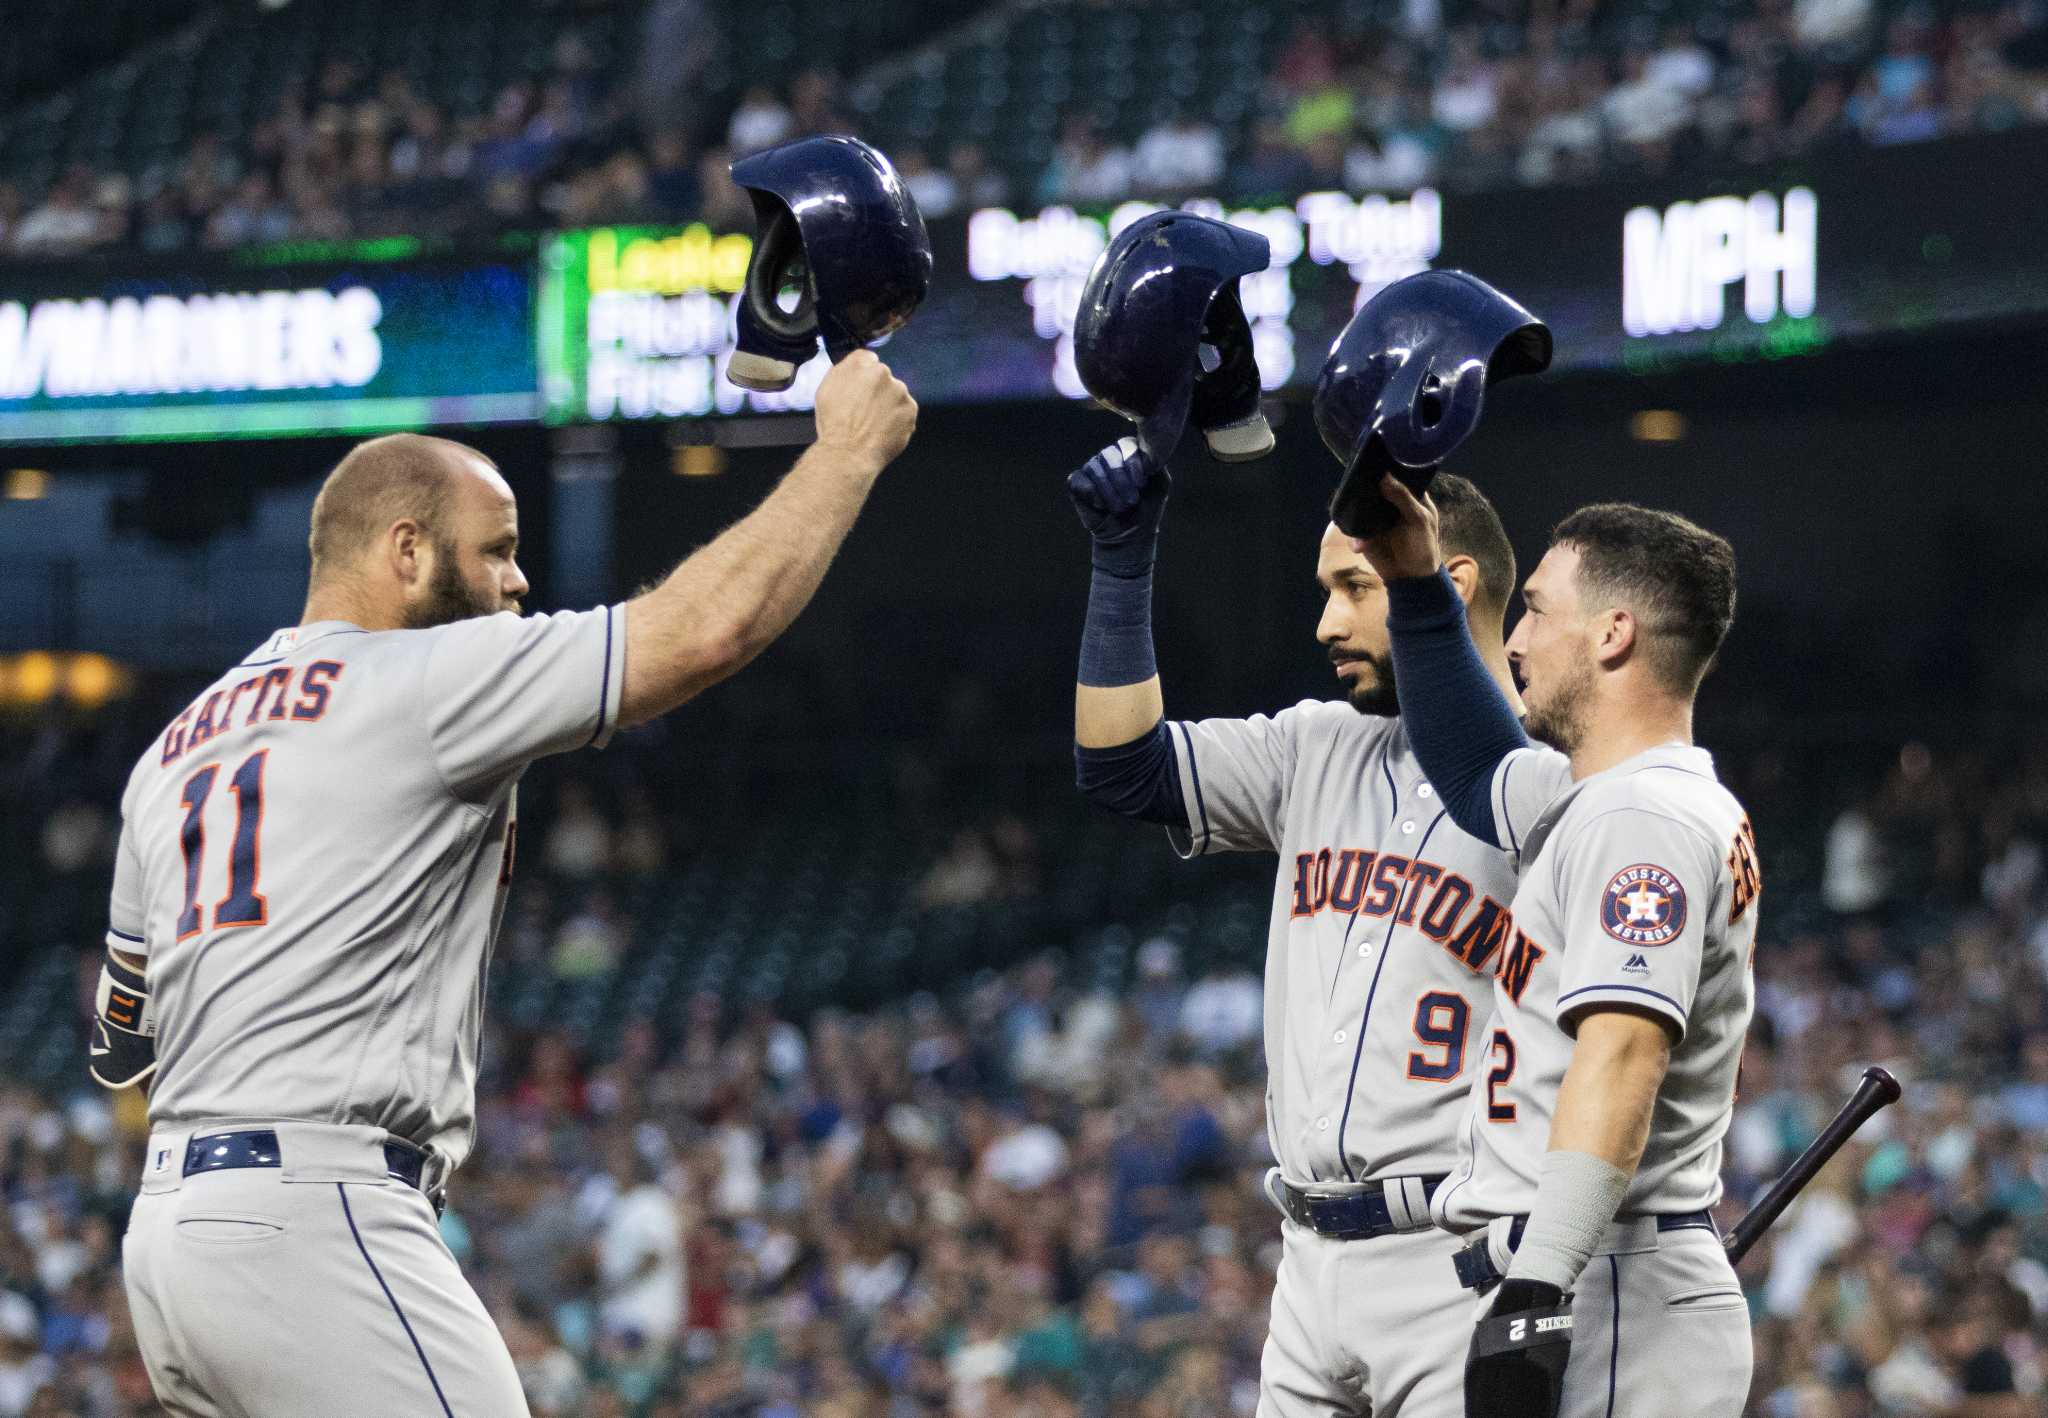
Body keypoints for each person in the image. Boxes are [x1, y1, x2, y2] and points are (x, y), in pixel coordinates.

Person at [89, 351, 917, 1415]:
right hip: (316, 1211)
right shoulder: (423, 676)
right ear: (405, 548)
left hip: (168, 1241)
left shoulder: (169, 752)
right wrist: (844, 454)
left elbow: (123, 1036)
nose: (520, 580)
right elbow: (706, 629)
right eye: (500, 550)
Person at [1067, 437, 1533, 1416]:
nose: (1324, 620)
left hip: (1461, 1251)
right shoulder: (1314, 743)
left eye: (1352, 585)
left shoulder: (1559, 778)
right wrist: (1120, 566)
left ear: (1438, 579)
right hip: (1309, 1258)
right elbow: (1123, 769)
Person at [1356, 474, 1755, 1418]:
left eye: (1534, 609)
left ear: (1613, 634)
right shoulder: (1615, 799)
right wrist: (1416, 582)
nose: (1517, 638)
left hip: (1609, 1281)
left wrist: (1537, 1288)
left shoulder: (1639, 815)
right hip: (1609, 1268)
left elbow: (1623, 1054)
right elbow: (1475, 766)